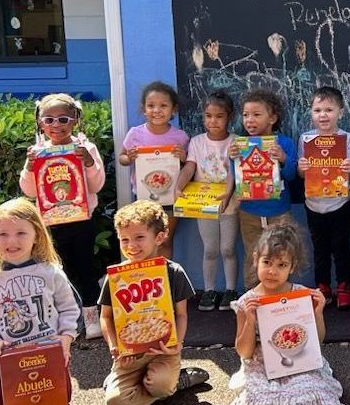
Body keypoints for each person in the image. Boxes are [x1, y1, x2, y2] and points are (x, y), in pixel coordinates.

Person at [0, 198, 82, 405]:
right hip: (8, 360)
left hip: (50, 355)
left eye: (21, 233)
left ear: (36, 234)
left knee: (54, 398)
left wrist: (66, 336)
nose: (11, 241)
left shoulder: (50, 272)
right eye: (3, 234)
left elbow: (70, 308)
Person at [99, 200, 209, 405]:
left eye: (139, 237)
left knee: (160, 386)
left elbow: (182, 314)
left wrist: (177, 345)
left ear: (160, 237)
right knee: (115, 402)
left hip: (163, 352)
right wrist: (115, 346)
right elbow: (105, 316)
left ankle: (171, 383)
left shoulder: (173, 272)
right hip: (130, 357)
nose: (131, 246)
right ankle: (135, 385)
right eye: (124, 240)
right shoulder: (116, 276)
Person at [19, 93, 106, 338]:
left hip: (81, 219)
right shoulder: (37, 152)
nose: (56, 125)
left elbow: (97, 185)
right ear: (40, 123)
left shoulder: (85, 148)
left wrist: (88, 162)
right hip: (50, 222)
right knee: (57, 271)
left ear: (75, 120)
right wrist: (29, 166)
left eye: (63, 119)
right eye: (49, 120)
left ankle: (91, 317)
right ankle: (65, 320)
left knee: (85, 268)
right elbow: (28, 190)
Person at [228, 223, 343, 404]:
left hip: (299, 361)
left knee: (310, 394)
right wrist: (250, 320)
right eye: (267, 262)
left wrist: (318, 313)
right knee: (261, 399)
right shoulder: (247, 302)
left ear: (292, 266)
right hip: (261, 366)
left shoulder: (300, 296)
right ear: (256, 259)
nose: (272, 271)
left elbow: (316, 341)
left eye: (282, 265)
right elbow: (244, 352)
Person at [224, 88, 298, 290]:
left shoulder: (284, 143)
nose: (249, 120)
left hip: (279, 211)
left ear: (272, 118)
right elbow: (238, 176)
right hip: (249, 211)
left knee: (281, 254)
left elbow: (292, 175)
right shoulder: (239, 144)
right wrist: (232, 158)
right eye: (246, 115)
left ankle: (279, 296)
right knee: (253, 254)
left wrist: (283, 159)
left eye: (257, 115)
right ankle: (252, 297)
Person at [296, 86, 350, 310]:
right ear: (311, 113)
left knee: (341, 247)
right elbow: (301, 173)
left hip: (341, 203)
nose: (323, 115)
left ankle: (344, 287)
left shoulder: (347, 139)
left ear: (340, 112)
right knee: (320, 248)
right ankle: (322, 287)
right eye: (317, 110)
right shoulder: (306, 139)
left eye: (329, 110)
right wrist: (302, 167)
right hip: (314, 204)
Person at [178, 89, 240, 312]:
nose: (213, 121)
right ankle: (210, 289)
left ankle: (231, 289)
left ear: (230, 117)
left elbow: (236, 169)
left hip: (229, 203)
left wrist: (229, 191)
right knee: (210, 249)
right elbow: (190, 166)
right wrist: (179, 185)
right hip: (204, 204)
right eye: (208, 115)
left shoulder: (235, 142)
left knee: (228, 249)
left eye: (219, 116)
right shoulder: (196, 142)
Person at [118, 81, 189, 260]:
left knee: (164, 240)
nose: (156, 110)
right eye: (151, 106)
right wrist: (129, 157)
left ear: (173, 110)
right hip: (143, 199)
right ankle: (147, 280)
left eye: (163, 105)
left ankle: (165, 278)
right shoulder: (135, 134)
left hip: (171, 198)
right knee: (143, 243)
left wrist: (183, 157)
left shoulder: (180, 136)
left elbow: (189, 166)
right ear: (144, 109)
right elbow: (122, 158)